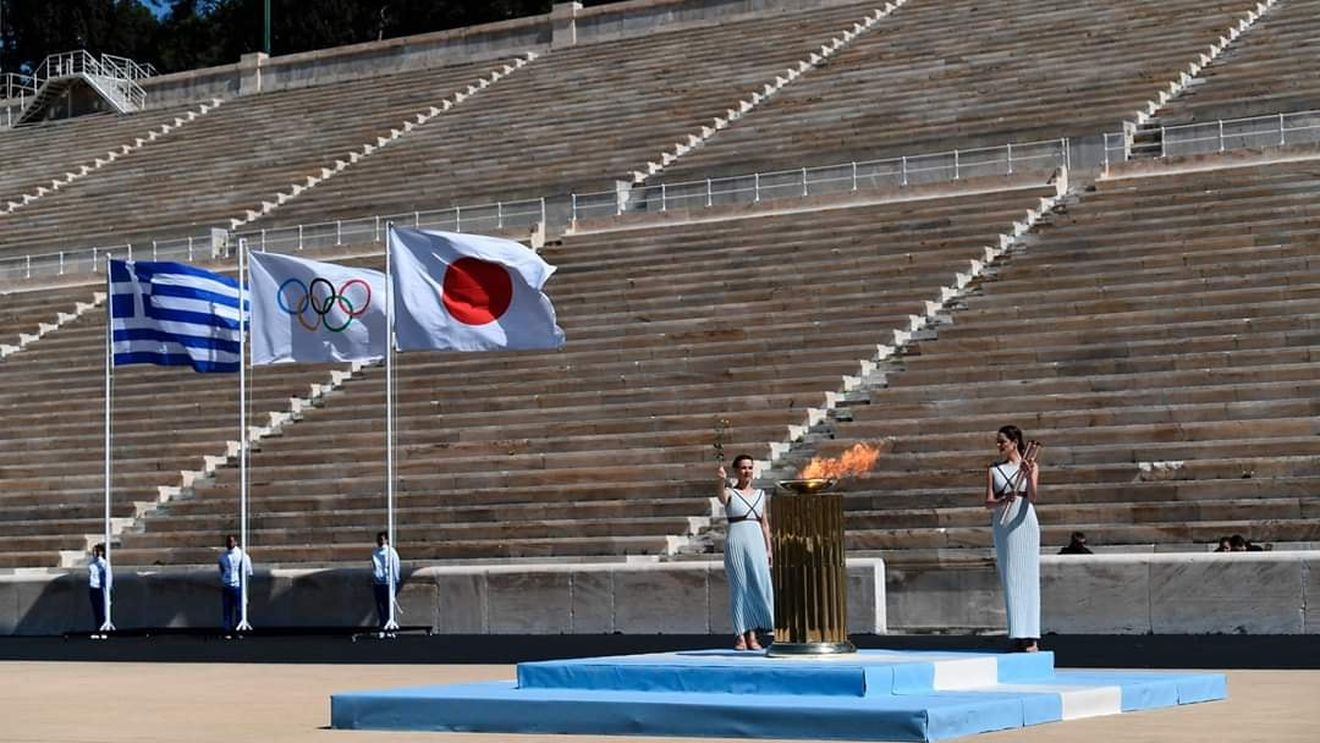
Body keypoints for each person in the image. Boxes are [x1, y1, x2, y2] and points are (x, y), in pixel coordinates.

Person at [985, 425, 1040, 652]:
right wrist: (1001, 501)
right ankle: (1017, 633)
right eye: (998, 442)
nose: (999, 446)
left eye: (1002, 442)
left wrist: (1028, 474)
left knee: (1029, 578)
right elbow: (988, 502)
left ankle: (1031, 636)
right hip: (1004, 522)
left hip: (1025, 520)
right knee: (1011, 578)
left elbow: (1034, 496)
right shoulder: (994, 470)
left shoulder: (1031, 465)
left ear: (1014, 442)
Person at [717, 453, 774, 651]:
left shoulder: (760, 495)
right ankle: (740, 635)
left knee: (757, 586)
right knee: (740, 587)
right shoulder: (730, 492)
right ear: (736, 471)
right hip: (737, 540)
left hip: (756, 541)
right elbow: (722, 498)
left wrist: (769, 549)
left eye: (749, 467)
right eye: (743, 468)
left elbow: (764, 524)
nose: (746, 471)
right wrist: (721, 480)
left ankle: (753, 635)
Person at [218, 534, 252, 632]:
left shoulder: (242, 555)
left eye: (231, 541)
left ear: (236, 542)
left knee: (238, 609)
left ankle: (238, 630)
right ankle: (227, 629)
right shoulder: (222, 557)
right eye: (228, 541)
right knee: (227, 609)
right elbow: (222, 570)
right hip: (226, 585)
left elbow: (248, 572)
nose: (229, 543)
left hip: (237, 585)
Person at [371, 531, 401, 630]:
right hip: (377, 583)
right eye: (378, 539)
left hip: (387, 583)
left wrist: (395, 580)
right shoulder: (374, 552)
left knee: (388, 606)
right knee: (380, 605)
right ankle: (382, 624)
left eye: (382, 539)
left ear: (386, 540)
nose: (380, 541)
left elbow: (396, 566)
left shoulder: (391, 552)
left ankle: (389, 625)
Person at [88, 543, 112, 633]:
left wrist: (108, 588)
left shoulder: (104, 564)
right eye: (93, 551)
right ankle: (97, 626)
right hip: (92, 587)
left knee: (102, 609)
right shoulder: (91, 563)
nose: (94, 553)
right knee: (96, 609)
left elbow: (108, 577)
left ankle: (103, 626)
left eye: (96, 551)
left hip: (100, 588)